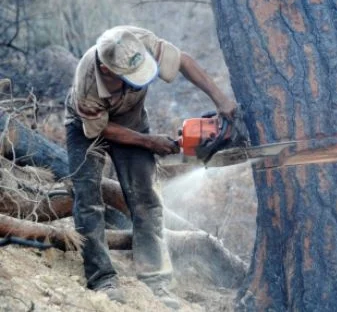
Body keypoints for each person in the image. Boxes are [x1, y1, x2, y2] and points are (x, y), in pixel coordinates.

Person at [64, 25, 237, 307]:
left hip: (131, 118)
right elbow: (101, 129)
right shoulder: (88, 80)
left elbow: (182, 61)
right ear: (108, 71)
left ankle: (155, 281)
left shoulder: (136, 42)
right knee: (88, 202)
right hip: (88, 129)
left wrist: (221, 100)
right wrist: (147, 142)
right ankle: (102, 278)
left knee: (147, 199)